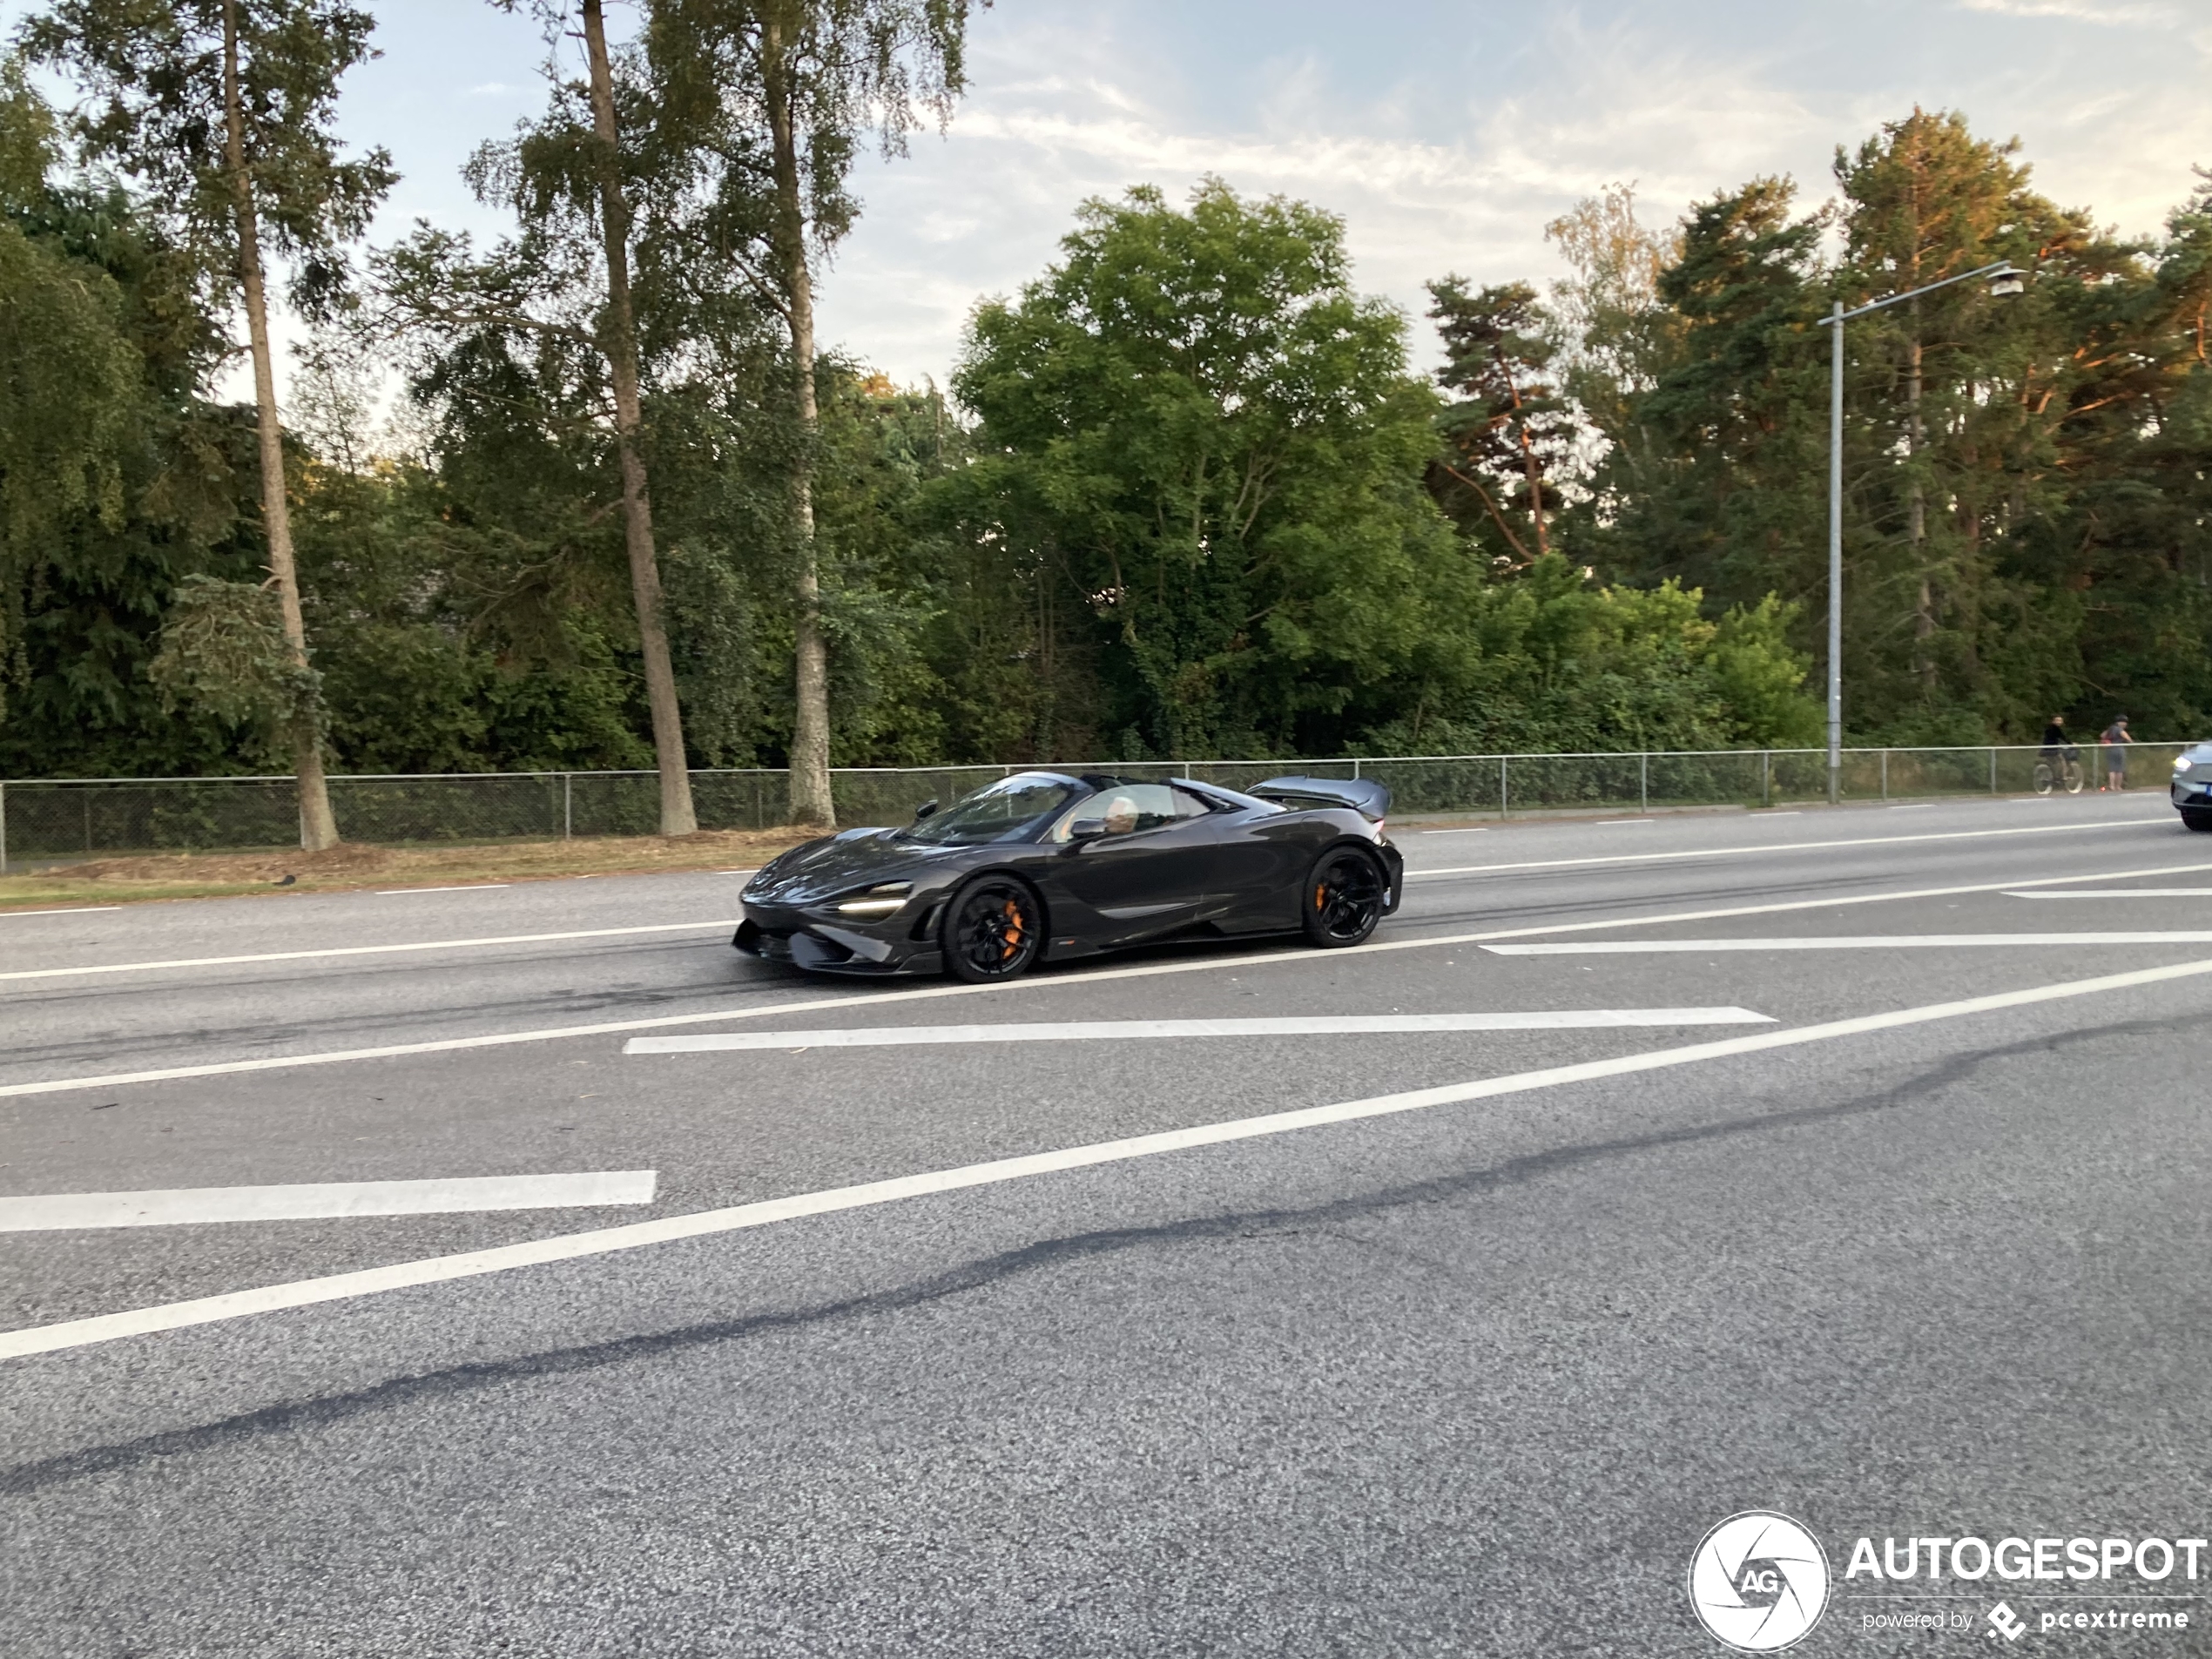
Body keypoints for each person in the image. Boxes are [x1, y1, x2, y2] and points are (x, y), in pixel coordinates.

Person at [2101, 715, 2131, 790]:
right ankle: (2118, 786)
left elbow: (2102, 735)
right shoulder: (2119, 729)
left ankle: (2112, 786)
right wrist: (2130, 741)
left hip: (2110, 749)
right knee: (2119, 769)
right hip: (2119, 749)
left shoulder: (2110, 728)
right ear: (2121, 722)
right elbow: (2126, 737)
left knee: (2112, 769)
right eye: (2124, 722)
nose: (2125, 724)